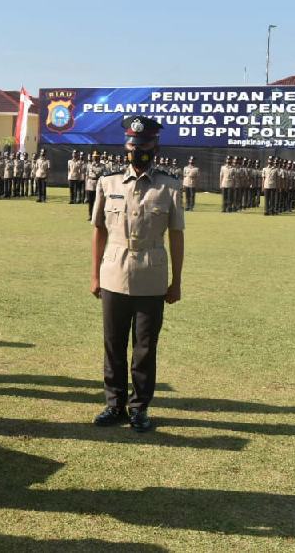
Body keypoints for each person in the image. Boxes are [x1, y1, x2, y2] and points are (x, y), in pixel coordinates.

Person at [91, 115, 184, 433]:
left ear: (155, 145)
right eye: (132, 144)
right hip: (114, 273)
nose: (137, 149)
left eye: (143, 144)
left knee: (145, 347)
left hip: (151, 277)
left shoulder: (169, 186)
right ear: (125, 145)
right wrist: (94, 275)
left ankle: (139, 408)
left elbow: (177, 236)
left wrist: (176, 281)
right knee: (113, 343)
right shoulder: (108, 182)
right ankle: (113, 404)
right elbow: (98, 231)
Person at [84, 151, 104, 219]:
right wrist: (86, 185)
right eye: (94, 157)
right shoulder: (89, 165)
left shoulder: (102, 166)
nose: (95, 158)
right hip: (90, 184)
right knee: (90, 201)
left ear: (99, 157)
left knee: (98, 201)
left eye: (96, 157)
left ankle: (98, 215)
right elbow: (86, 175)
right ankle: (90, 215)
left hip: (99, 184)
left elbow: (103, 175)